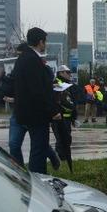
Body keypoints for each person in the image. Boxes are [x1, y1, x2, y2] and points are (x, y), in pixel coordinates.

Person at [12, 27, 61, 174]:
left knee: (37, 147)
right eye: (44, 42)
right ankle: (38, 182)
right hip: (36, 114)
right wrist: (52, 111)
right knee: (38, 150)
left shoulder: (22, 58)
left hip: (23, 112)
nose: (45, 45)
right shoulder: (33, 60)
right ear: (40, 42)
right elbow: (38, 90)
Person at [52, 65, 77, 168]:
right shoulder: (56, 83)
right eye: (67, 72)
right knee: (61, 139)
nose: (70, 74)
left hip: (67, 118)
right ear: (61, 73)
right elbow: (59, 101)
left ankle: (64, 158)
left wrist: (74, 118)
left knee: (67, 139)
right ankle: (60, 159)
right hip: (59, 117)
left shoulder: (68, 84)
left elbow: (72, 101)